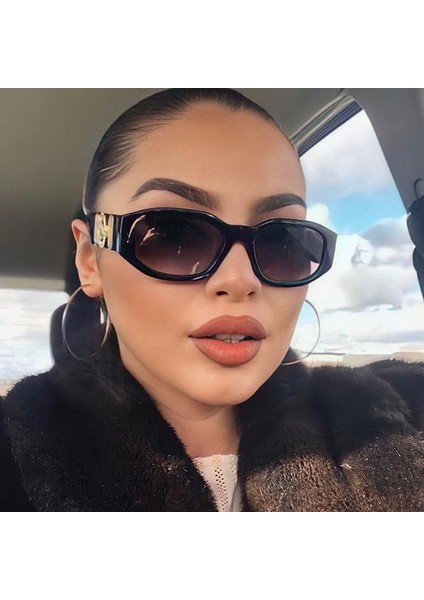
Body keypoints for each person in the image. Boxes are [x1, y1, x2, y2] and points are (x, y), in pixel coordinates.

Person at [1, 88, 423, 512]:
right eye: (172, 234)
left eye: (282, 240)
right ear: (90, 259)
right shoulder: (18, 447)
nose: (240, 280)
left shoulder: (390, 416)